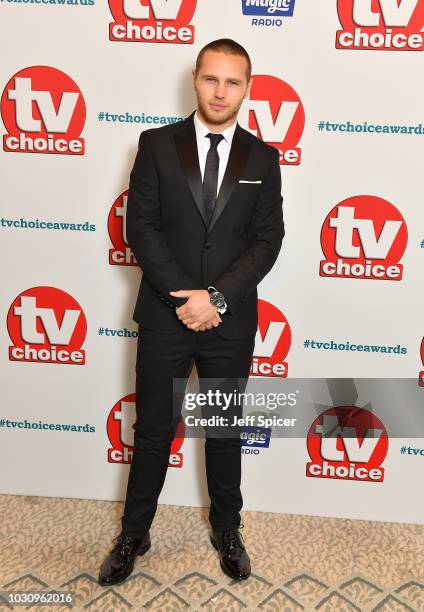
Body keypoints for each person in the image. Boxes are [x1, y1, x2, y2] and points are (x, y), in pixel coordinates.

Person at [98, 38, 284, 586]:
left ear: (247, 88)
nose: (220, 91)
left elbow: (267, 240)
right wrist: (188, 298)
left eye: (232, 81)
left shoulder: (263, 158)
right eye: (211, 79)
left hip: (230, 322)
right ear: (195, 79)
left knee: (224, 428)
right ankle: (134, 532)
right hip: (164, 316)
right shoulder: (156, 145)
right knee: (155, 430)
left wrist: (217, 299)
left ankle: (228, 528)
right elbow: (142, 230)